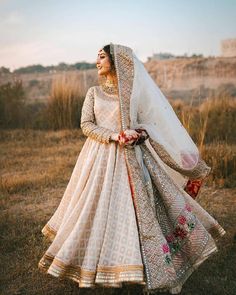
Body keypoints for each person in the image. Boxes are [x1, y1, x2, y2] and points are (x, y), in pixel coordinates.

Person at [38, 43, 226, 294]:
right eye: (97, 57)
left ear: (116, 62)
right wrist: (116, 136)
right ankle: (101, 260)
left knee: (138, 209)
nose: (97, 61)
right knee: (98, 208)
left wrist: (139, 133)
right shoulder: (93, 93)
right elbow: (86, 125)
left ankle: (141, 262)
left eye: (102, 57)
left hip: (134, 158)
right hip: (100, 158)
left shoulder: (132, 95)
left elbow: (149, 123)